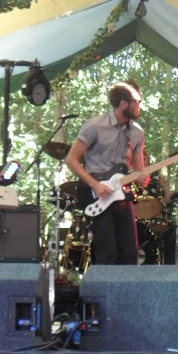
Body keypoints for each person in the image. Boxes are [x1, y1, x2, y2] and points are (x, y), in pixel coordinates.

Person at [65, 81, 146, 266]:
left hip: (121, 194)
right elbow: (71, 159)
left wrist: (142, 177)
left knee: (130, 254)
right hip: (96, 192)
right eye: (137, 102)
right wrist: (95, 185)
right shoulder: (95, 126)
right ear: (123, 103)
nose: (139, 107)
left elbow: (139, 170)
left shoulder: (137, 132)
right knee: (107, 253)